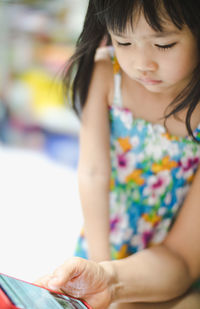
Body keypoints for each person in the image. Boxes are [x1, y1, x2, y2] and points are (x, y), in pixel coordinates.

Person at [37, 0, 200, 308]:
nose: (142, 64)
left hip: (174, 260)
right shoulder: (106, 74)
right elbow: (93, 172)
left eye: (163, 44)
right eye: (123, 41)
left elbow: (183, 256)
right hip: (106, 242)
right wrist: (101, 266)